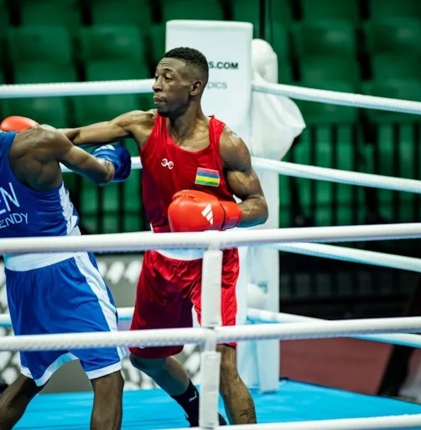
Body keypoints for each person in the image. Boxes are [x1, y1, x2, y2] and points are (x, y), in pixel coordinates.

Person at [59, 46, 267, 426]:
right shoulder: (141, 125)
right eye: (156, 76)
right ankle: (196, 410)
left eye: (167, 78)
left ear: (194, 87)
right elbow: (70, 137)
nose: (156, 85)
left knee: (223, 364)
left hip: (213, 259)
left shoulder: (225, 143)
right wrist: (25, 141)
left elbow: (259, 206)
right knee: (145, 357)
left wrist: (220, 212)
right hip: (163, 257)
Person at [0, 64, 131, 430]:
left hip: (21, 281)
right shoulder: (39, 142)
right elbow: (102, 174)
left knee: (30, 378)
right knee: (108, 377)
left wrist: (3, 227)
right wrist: (115, 156)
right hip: (68, 271)